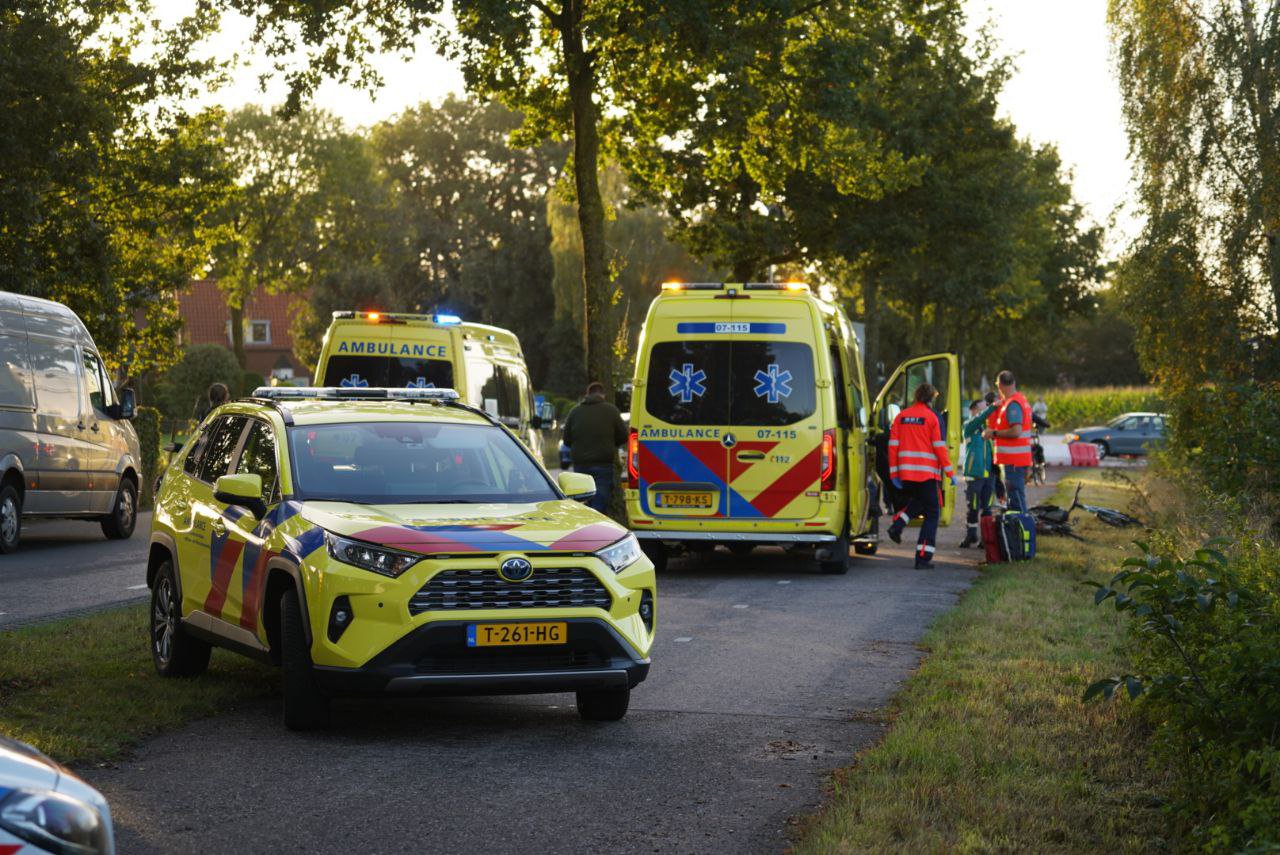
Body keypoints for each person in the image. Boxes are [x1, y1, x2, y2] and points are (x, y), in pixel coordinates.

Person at [886, 383, 955, 569]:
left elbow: (892, 447)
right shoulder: (932, 418)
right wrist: (949, 472)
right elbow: (939, 448)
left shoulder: (901, 417)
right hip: (926, 475)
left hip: (906, 475)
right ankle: (923, 557)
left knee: (919, 502)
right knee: (933, 512)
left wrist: (894, 473)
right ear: (931, 398)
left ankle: (897, 525)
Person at [562, 381, 627, 514]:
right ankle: (596, 523)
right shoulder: (611, 410)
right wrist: (610, 443)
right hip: (603, 464)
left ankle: (585, 523)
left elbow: (566, 440)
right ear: (602, 395)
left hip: (581, 465)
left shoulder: (575, 412)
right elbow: (624, 436)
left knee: (582, 497)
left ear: (587, 394)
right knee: (600, 498)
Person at [984, 369, 1033, 513]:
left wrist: (993, 433)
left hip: (1014, 461)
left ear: (1000, 385)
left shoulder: (1013, 404)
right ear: (1014, 383)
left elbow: (1016, 431)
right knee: (1015, 498)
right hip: (1017, 460)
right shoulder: (1017, 400)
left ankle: (1023, 531)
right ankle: (1020, 530)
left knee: (1016, 499)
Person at [958, 397, 996, 548]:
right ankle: (971, 535)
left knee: (987, 508)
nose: (985, 411)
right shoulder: (968, 425)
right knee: (973, 507)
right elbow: (979, 419)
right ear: (973, 410)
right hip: (974, 474)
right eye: (983, 408)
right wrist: (992, 407)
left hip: (989, 474)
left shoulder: (987, 428)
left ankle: (985, 539)